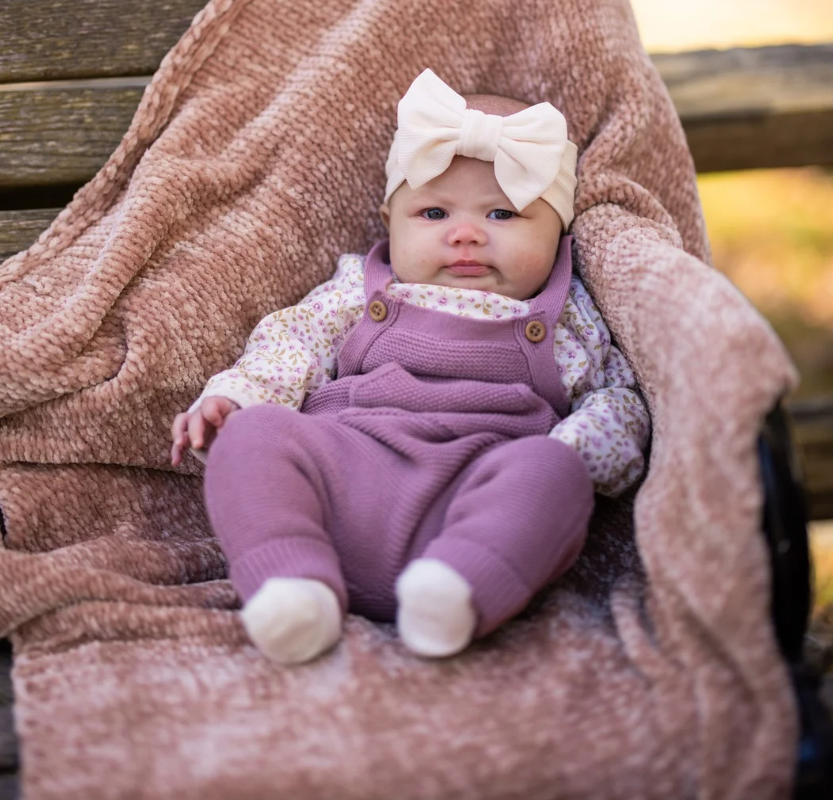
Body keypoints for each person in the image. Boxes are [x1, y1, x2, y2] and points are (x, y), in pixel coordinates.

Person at [170, 69, 650, 665]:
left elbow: (619, 402)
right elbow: (291, 345)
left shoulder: (566, 316)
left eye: (503, 215)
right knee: (254, 435)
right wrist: (237, 397)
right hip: (342, 479)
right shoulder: (359, 289)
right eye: (433, 214)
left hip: (477, 499)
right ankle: (293, 586)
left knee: (554, 472)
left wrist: (576, 449)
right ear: (390, 220)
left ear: (560, 230)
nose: (466, 235)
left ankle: (457, 592)